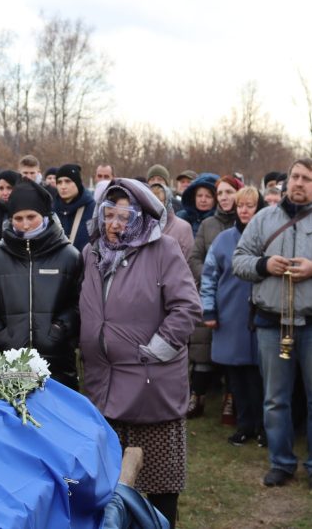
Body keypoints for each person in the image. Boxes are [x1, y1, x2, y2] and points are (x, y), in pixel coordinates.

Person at [232, 158, 312, 491]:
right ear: (285, 182)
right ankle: (281, 462)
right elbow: (239, 260)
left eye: (307, 178)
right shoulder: (263, 219)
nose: (299, 183)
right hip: (271, 324)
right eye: (294, 177)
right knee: (275, 399)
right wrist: (264, 265)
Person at [79, 178, 200, 528]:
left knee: (159, 483)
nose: (115, 224)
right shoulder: (92, 252)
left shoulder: (163, 250)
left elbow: (187, 308)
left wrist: (155, 352)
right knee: (108, 481)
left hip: (152, 383)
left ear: (142, 217)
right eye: (109, 215)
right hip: (104, 383)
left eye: (125, 216)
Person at [0, 180, 82, 389]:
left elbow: (80, 302)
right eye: (18, 218)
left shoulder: (69, 256)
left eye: (32, 217)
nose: (25, 224)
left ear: (45, 216)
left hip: (56, 366)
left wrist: (60, 328)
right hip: (7, 368)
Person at [201, 186, 263, 447]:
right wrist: (209, 310)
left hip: (261, 319)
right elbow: (209, 277)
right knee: (236, 378)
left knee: (259, 378)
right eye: (241, 206)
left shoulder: (267, 237)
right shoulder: (223, 240)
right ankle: (244, 425)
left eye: (250, 205)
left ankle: (263, 427)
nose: (245, 210)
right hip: (229, 316)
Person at [186, 175, 243, 419]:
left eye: (229, 192)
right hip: (209, 293)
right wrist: (210, 277)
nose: (224, 198)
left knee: (233, 351)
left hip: (236, 296)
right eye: (220, 193)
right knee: (202, 348)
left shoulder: (246, 223)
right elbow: (195, 257)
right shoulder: (208, 225)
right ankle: (197, 396)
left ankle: (231, 399)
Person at [53, 163, 95, 253]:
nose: (63, 186)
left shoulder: (92, 208)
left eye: (68, 181)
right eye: (59, 182)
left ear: (77, 183)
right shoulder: (51, 208)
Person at [148, 181, 194, 260]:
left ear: (167, 201)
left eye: (160, 200)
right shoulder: (143, 228)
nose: (155, 205)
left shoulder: (183, 228)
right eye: (152, 200)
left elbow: (188, 260)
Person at [176, 173, 219, 237]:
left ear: (216, 199)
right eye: (199, 196)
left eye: (208, 196)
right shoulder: (180, 218)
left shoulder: (220, 221)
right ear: (194, 197)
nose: (203, 200)